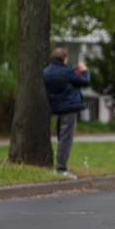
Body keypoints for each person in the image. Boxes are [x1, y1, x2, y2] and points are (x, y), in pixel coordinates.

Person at [43, 47, 91, 179]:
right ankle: (61, 168)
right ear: (64, 58)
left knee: (60, 138)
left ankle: (59, 164)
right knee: (66, 139)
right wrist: (85, 70)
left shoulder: (46, 72)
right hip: (69, 109)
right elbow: (84, 81)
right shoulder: (68, 72)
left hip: (55, 108)